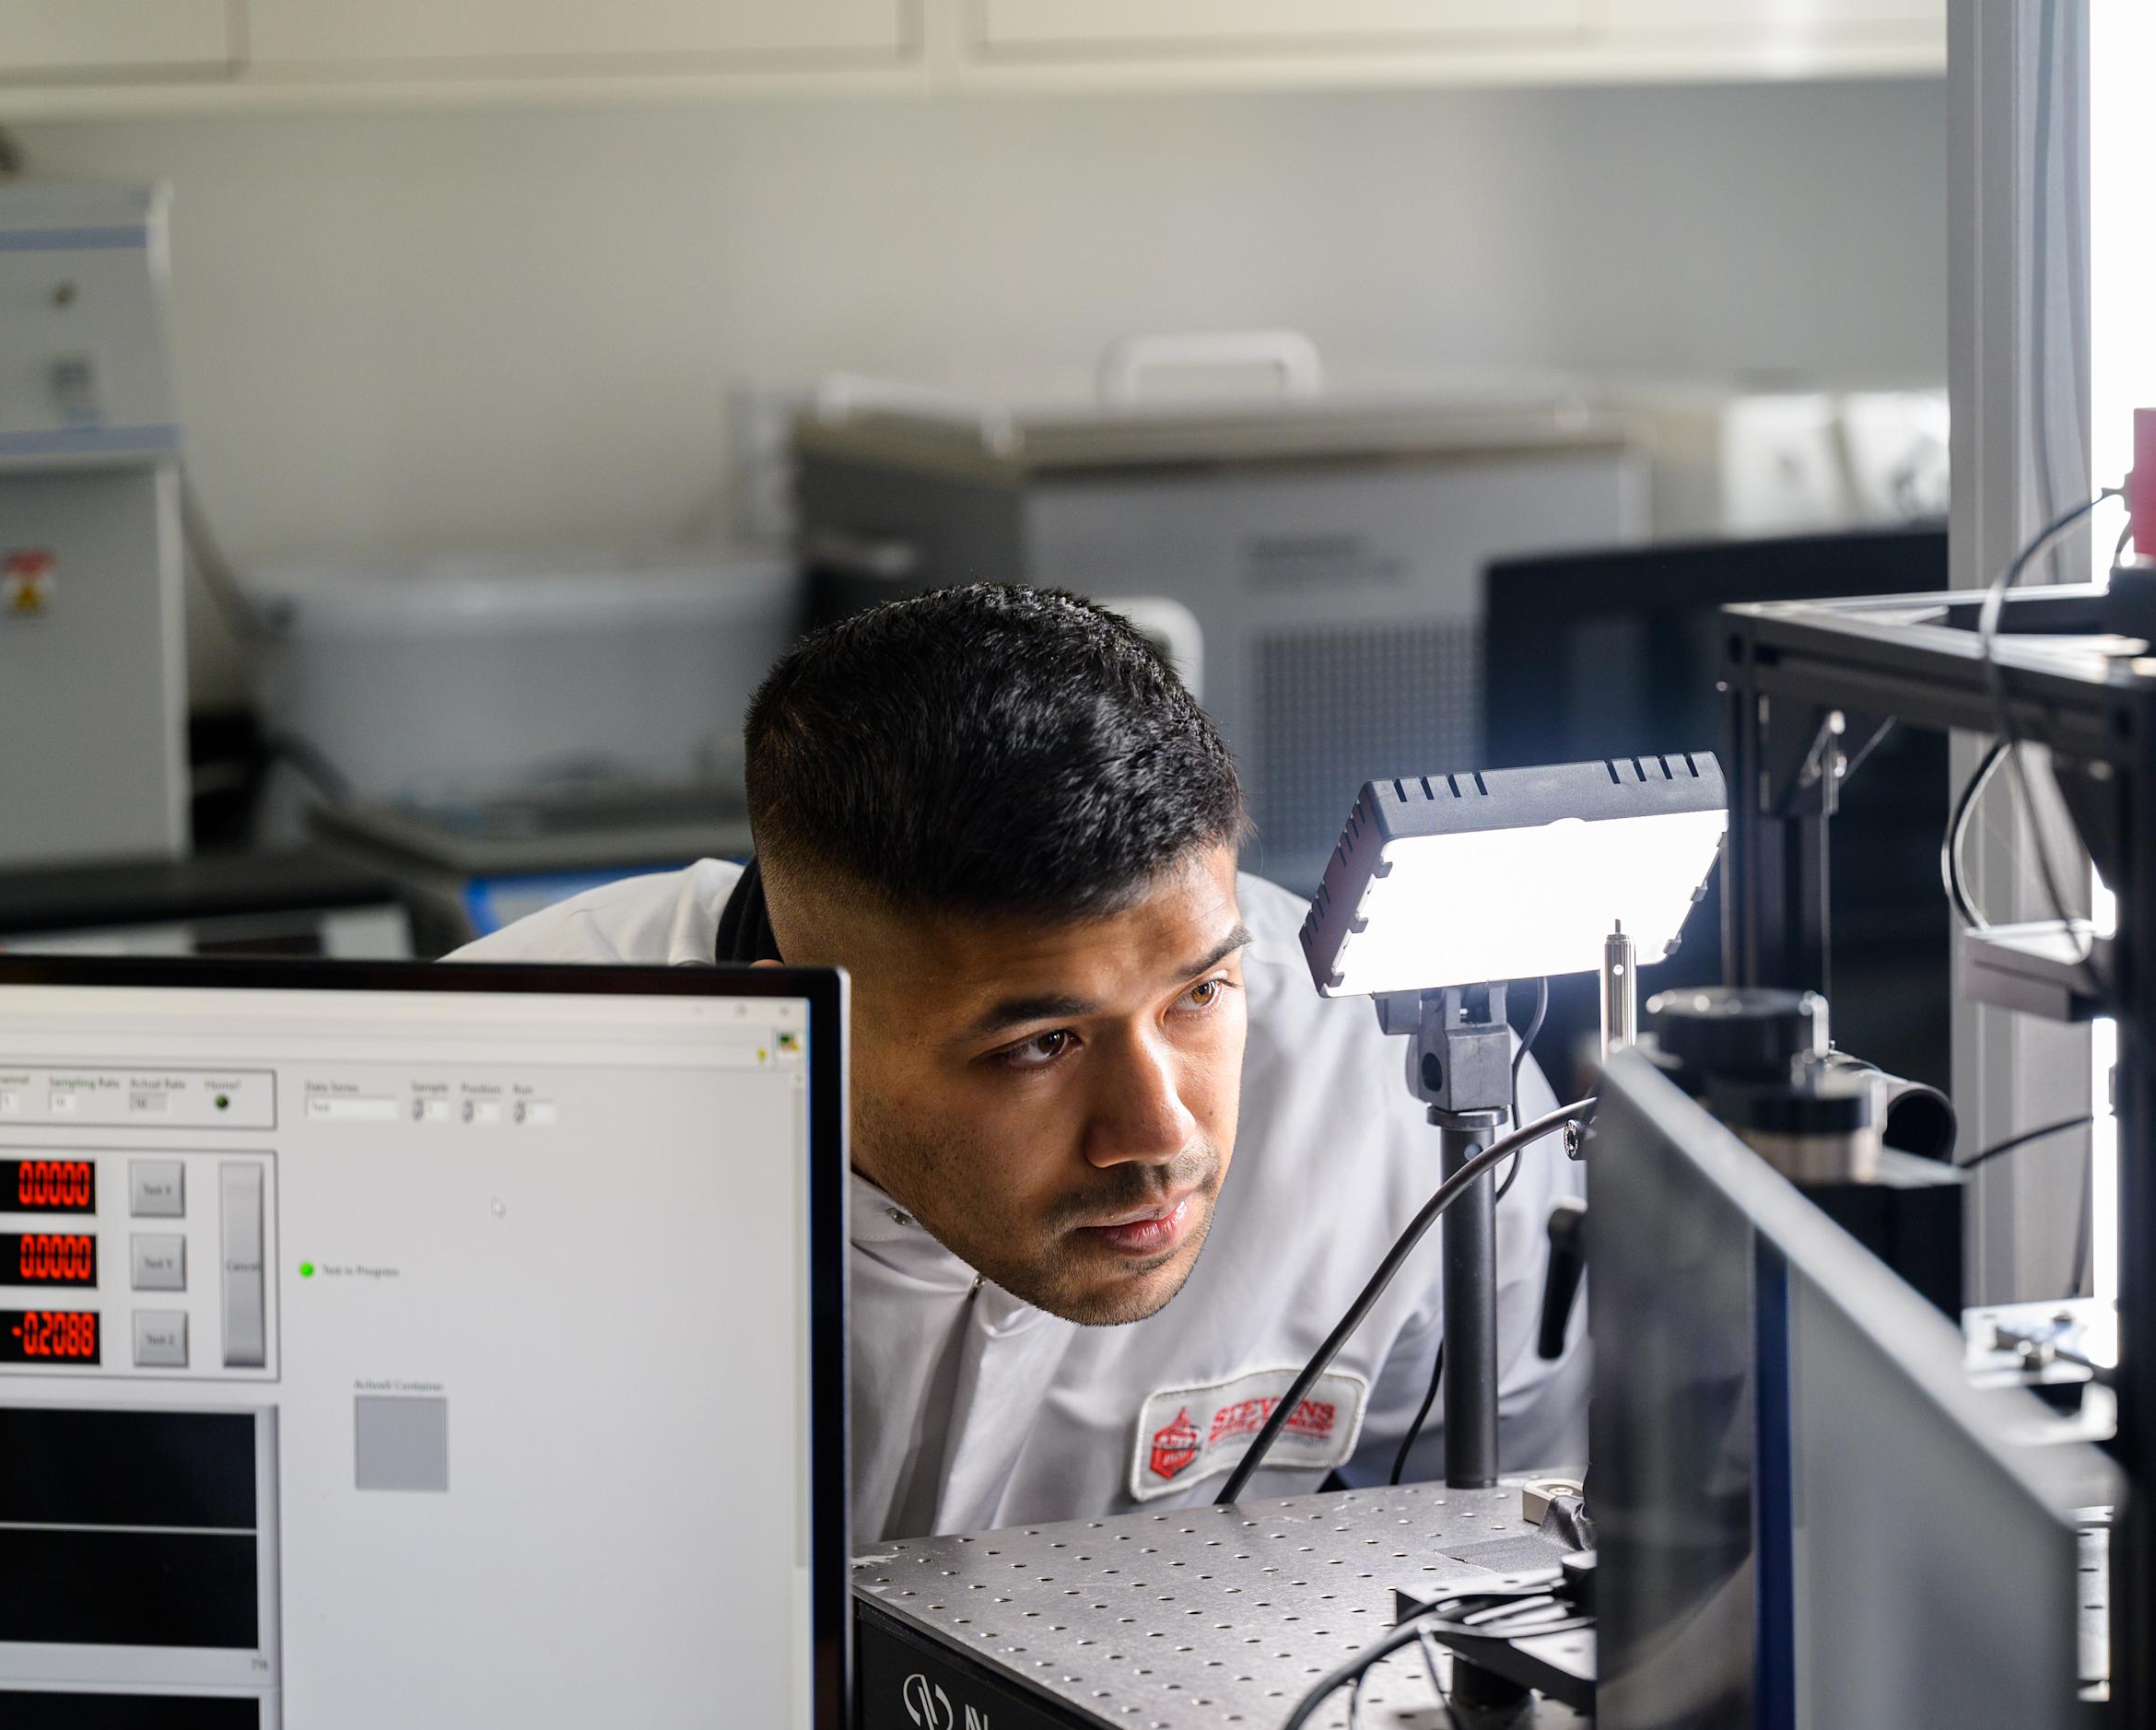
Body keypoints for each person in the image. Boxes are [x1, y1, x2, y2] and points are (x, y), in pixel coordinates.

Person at [454, 583, 1588, 1537]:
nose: (1162, 1135)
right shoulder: (477, 1105)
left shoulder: (1387, 1071)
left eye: (1199, 992)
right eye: (1040, 1045)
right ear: (788, 1038)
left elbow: (1550, 1515)